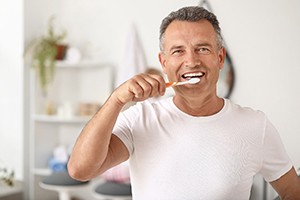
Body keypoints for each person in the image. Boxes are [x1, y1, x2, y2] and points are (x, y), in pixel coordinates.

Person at [68, 6, 300, 199]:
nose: (191, 60)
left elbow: (293, 192)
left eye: (202, 48)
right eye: (178, 51)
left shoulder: (255, 125)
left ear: (220, 58)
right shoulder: (140, 118)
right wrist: (116, 99)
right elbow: (80, 169)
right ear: (163, 62)